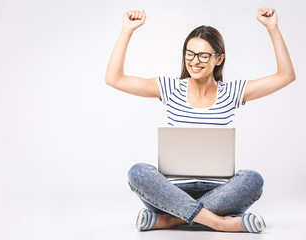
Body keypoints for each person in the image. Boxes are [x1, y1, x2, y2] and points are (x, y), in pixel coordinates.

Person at [105, 8, 295, 233]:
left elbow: (286, 76)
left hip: (219, 193)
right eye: (189, 53)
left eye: (203, 55)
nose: (195, 61)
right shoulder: (170, 88)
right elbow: (114, 78)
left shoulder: (232, 92)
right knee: (138, 172)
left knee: (253, 179)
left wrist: (272, 27)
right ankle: (219, 222)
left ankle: (169, 220)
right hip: (172, 193)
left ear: (219, 59)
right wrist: (127, 30)